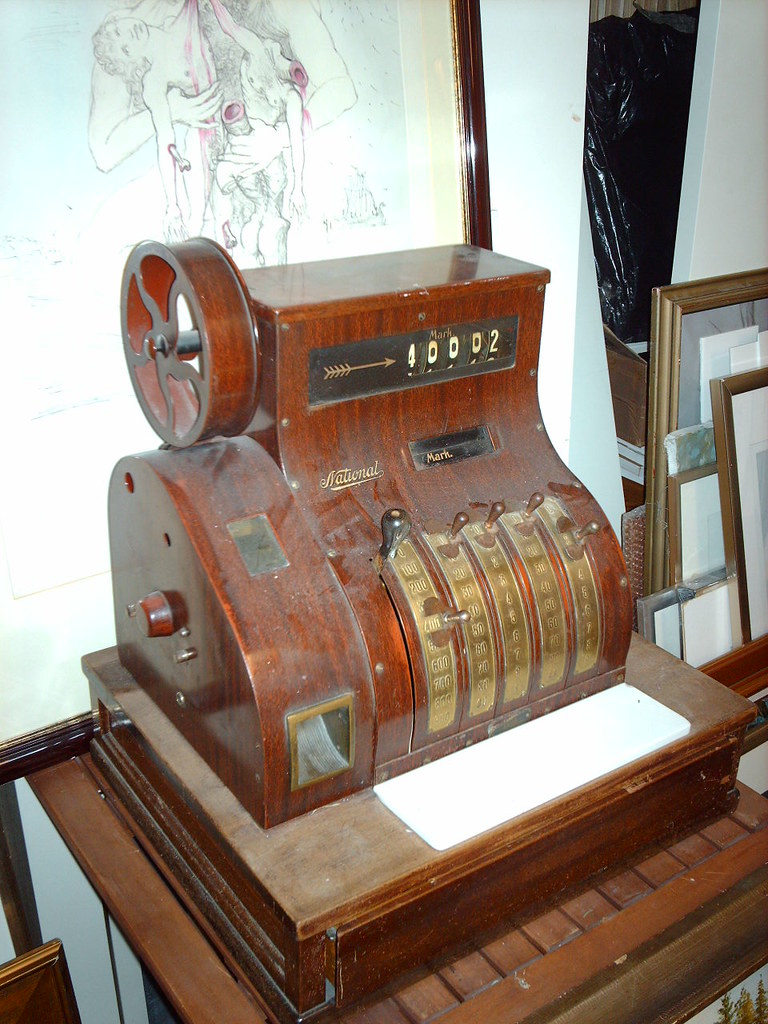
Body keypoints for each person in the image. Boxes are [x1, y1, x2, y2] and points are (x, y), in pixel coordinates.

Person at [91, 0, 221, 242]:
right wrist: (172, 206)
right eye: (126, 49)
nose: (129, 35)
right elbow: (166, 143)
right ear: (133, 63)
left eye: (119, 31)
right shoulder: (154, 83)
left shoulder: (175, 19)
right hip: (205, 143)